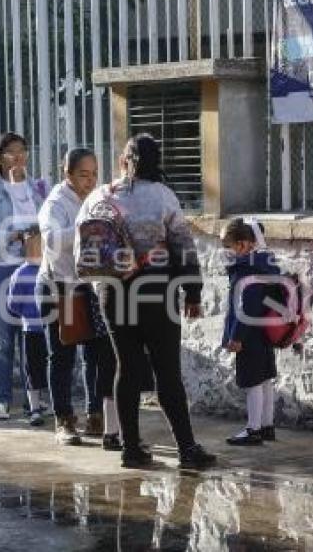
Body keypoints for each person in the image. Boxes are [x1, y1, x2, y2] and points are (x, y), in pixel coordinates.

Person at [77, 134, 216, 470]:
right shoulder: (163, 196)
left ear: (125, 160)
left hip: (112, 293)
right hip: (157, 292)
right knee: (167, 371)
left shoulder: (99, 196)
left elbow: (81, 248)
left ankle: (131, 449)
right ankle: (186, 449)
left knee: (126, 368)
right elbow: (183, 247)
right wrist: (193, 292)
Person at [37, 148, 119, 449]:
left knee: (97, 354)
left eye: (94, 173)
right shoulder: (55, 203)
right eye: (83, 174)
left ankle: (95, 413)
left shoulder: (97, 198)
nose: (90, 180)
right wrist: (89, 229)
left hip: (90, 285)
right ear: (67, 174)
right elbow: (52, 239)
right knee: (61, 354)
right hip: (58, 286)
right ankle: (63, 419)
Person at [0, 132, 48, 420]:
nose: (19, 157)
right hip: (1, 268)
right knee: (1, 337)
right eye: (12, 152)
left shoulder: (38, 188)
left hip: (33, 267)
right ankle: (1, 399)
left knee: (33, 336)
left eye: (23, 151)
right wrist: (8, 235)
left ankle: (34, 400)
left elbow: (49, 220)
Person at [220, 218, 279, 446]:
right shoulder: (265, 263)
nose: (229, 252)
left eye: (230, 246)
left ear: (244, 244)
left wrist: (236, 336)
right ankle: (266, 425)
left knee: (252, 381)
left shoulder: (247, 269)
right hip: (263, 331)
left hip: (248, 334)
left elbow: (246, 306)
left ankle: (253, 429)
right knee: (265, 379)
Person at [6, 229, 50, 427]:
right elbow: (13, 303)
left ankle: (39, 406)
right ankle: (34, 408)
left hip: (43, 328)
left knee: (39, 369)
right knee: (34, 369)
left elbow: (13, 305)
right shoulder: (22, 273)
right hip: (34, 329)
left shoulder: (44, 271)